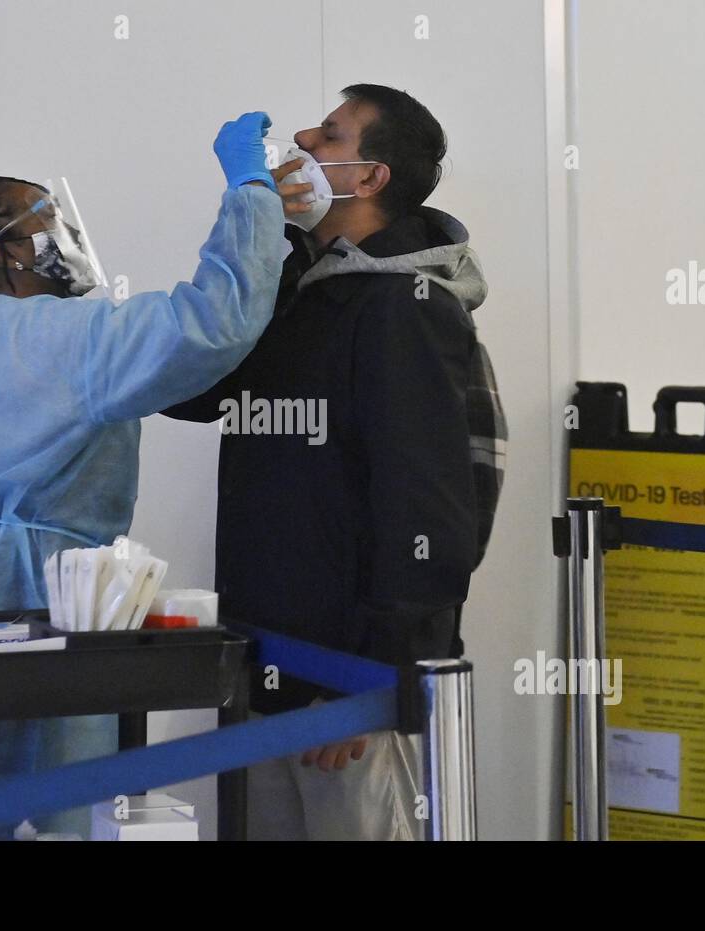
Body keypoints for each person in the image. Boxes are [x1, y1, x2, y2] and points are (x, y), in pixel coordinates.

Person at [0, 112, 284, 835]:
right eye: (46, 224)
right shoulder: (62, 337)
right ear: (9, 253)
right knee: (28, 806)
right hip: (16, 609)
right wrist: (252, 194)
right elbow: (211, 323)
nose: (64, 238)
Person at [165, 85, 507, 840]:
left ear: (370, 176)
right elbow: (186, 391)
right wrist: (259, 238)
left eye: (328, 134)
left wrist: (376, 679)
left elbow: (431, 508)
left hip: (346, 693)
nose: (301, 139)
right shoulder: (296, 293)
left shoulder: (406, 306)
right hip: (265, 670)